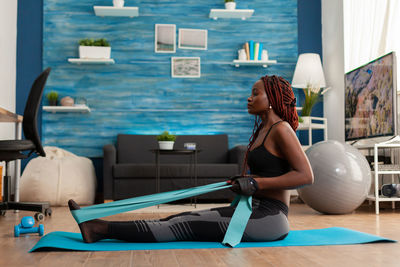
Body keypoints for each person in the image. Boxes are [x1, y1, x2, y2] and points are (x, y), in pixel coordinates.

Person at [68, 75, 314, 243]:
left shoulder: (282, 129)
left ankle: (100, 229)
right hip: (250, 209)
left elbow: (306, 176)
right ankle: (98, 228)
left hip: (270, 219)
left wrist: (256, 184)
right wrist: (245, 180)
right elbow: (267, 173)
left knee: (181, 227)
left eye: (255, 93)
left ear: (271, 99)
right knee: (178, 217)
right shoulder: (262, 130)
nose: (249, 98)